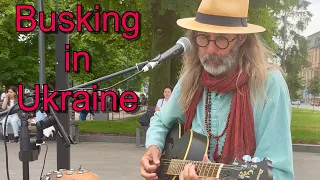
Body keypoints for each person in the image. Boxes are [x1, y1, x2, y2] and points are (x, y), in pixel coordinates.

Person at [139, 0, 294, 180]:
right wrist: (154, 147)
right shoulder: (192, 78)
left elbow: (279, 173)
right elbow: (161, 120)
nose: (210, 50)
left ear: (241, 38)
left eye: (221, 39)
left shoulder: (269, 84)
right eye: (202, 38)